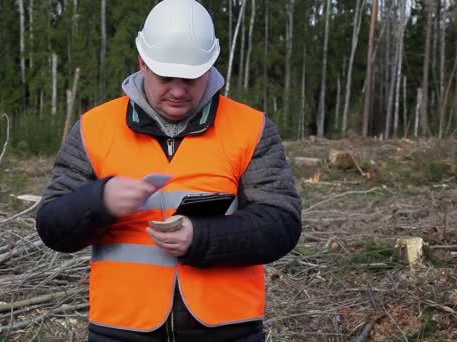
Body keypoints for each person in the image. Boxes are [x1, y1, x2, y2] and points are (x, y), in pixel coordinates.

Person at [36, 0, 301, 340]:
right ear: (142, 62)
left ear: (210, 67)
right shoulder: (94, 129)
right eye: (166, 77)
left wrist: (202, 238)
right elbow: (52, 227)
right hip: (121, 329)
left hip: (228, 331)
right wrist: (98, 201)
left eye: (191, 78)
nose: (178, 91)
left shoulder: (251, 128)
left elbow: (282, 224)